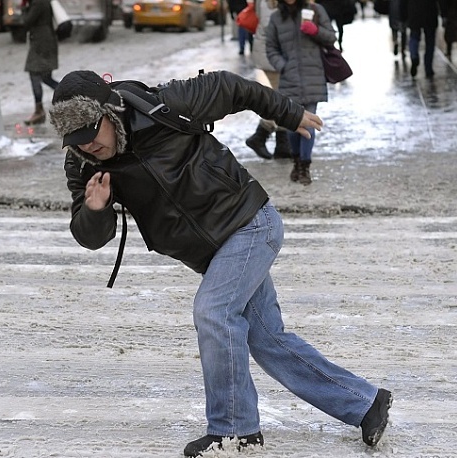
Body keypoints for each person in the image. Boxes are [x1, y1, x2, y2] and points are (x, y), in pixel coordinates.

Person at [47, 69, 392, 458]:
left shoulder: (162, 105)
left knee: (213, 312)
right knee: (268, 339)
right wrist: (96, 209)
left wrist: (289, 114)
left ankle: (235, 431)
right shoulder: (84, 165)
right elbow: (91, 236)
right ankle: (364, 403)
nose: (88, 146)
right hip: (212, 255)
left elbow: (232, 87)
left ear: (109, 112)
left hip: (250, 223)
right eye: (76, 141)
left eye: (92, 132)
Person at [267, 0, 336, 185]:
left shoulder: (315, 10)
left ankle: (305, 166)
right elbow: (271, 48)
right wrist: (283, 66)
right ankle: (296, 161)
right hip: (289, 79)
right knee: (292, 125)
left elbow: (331, 37)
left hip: (313, 76)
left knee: (309, 124)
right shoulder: (275, 18)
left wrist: (315, 30)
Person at [246, 0, 294, 160]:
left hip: (274, 52)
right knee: (283, 98)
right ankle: (263, 137)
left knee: (284, 97)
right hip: (272, 53)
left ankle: (281, 143)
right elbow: (270, 23)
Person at [22, 0, 59, 125]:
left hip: (41, 43)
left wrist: (24, 8)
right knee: (45, 77)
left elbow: (27, 21)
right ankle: (70, 94)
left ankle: (39, 111)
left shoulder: (38, 2)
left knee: (35, 74)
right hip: (45, 41)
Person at [401, 0, 448, 78]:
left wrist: (403, 16)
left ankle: (414, 56)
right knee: (430, 41)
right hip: (430, 11)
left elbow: (403, 2)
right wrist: (444, 13)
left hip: (414, 12)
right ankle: (428, 67)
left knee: (414, 37)